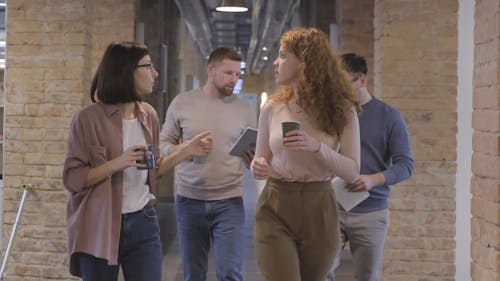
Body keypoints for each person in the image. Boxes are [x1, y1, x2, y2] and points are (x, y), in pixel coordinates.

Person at [63, 41, 211, 281]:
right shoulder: (87, 119)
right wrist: (116, 163)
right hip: (100, 224)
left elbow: (153, 170)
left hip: (144, 222)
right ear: (126, 71)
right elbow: (73, 179)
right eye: (148, 66)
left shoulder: (148, 115)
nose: (155, 73)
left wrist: (186, 150)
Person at [250, 27, 361, 281]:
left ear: (304, 62)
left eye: (283, 56)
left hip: (319, 205)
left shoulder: (342, 110)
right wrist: (258, 165)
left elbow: (352, 170)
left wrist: (317, 147)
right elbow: (261, 159)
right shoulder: (272, 108)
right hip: (275, 203)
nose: (276, 63)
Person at [159, 47, 256, 281]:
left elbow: (252, 151)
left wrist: (252, 158)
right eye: (228, 73)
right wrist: (185, 150)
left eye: (237, 74)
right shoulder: (182, 103)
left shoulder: (244, 109)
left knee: (231, 274)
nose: (234, 79)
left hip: (229, 201)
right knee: (194, 274)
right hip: (189, 200)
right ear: (210, 70)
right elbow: (163, 143)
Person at [326, 53, 414, 281]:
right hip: (331, 207)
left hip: (371, 212)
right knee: (320, 272)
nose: (338, 91)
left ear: (362, 80)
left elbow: (405, 165)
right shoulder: (330, 115)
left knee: (367, 276)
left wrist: (373, 179)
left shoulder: (390, 117)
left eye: (344, 84)